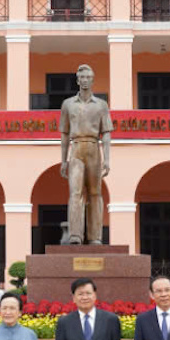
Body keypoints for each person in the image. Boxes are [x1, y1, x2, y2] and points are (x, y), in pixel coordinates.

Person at [59, 64, 112, 245]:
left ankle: (95, 236)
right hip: (76, 148)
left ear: (93, 80)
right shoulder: (67, 105)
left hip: (93, 147)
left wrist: (107, 159)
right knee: (75, 192)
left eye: (88, 77)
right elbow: (64, 134)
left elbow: (106, 133)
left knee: (95, 193)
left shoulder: (101, 105)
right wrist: (63, 160)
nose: (85, 80)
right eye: (82, 77)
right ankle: (75, 235)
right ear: (77, 80)